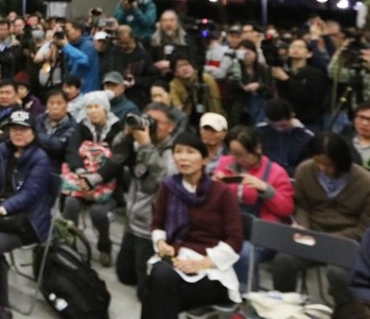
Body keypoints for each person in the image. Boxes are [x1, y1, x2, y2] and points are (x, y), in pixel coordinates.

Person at [142, 132, 243, 318]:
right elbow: (157, 224)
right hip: (176, 261)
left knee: (158, 284)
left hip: (211, 270)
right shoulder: (168, 187)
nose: (183, 157)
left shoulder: (222, 193)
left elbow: (235, 240)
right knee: (160, 281)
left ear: (205, 159)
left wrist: (202, 264)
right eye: (178, 152)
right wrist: (162, 244)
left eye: (190, 152)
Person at [272, 132, 370, 308]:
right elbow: (302, 205)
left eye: (328, 164)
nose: (322, 168)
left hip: (346, 241)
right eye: (318, 162)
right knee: (283, 260)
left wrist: (330, 240)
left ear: (342, 161)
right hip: (312, 234)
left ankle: (349, 313)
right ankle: (284, 309)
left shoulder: (364, 182)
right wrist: (303, 226)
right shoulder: (305, 170)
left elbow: (364, 227)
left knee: (338, 272)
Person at [0, 110, 53, 319]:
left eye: (23, 129)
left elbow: (31, 194)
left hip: (28, 222)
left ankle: (2, 303)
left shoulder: (40, 158)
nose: (18, 133)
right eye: (14, 129)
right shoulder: (3, 150)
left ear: (33, 132)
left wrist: (2, 209)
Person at [212, 125, 294, 289]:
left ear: (257, 148)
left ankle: (248, 301)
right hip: (231, 228)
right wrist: (214, 186)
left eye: (243, 154)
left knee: (243, 253)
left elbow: (287, 209)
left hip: (264, 233)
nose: (239, 159)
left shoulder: (276, 172)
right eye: (234, 154)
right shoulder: (225, 164)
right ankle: (217, 296)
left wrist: (265, 190)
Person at [114, 102, 180, 302]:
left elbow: (166, 179)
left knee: (146, 295)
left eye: (156, 122)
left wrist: (146, 146)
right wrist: (126, 134)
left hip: (152, 231)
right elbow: (116, 155)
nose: (150, 126)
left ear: (171, 126)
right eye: (147, 120)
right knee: (124, 277)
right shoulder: (140, 142)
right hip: (132, 223)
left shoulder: (176, 152)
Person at [63, 91, 124, 267]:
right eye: (89, 107)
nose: (93, 111)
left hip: (108, 184)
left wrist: (95, 181)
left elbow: (117, 160)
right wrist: (82, 176)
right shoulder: (81, 126)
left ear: (105, 108)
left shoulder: (117, 128)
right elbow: (72, 151)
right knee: (70, 204)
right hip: (80, 182)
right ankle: (70, 243)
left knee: (99, 212)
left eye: (96, 106)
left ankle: (104, 246)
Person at [256, 98, 315, 177]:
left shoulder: (306, 137)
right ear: (268, 120)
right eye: (275, 126)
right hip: (265, 175)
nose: (280, 129)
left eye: (283, 126)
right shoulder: (259, 133)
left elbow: (308, 165)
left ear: (292, 116)